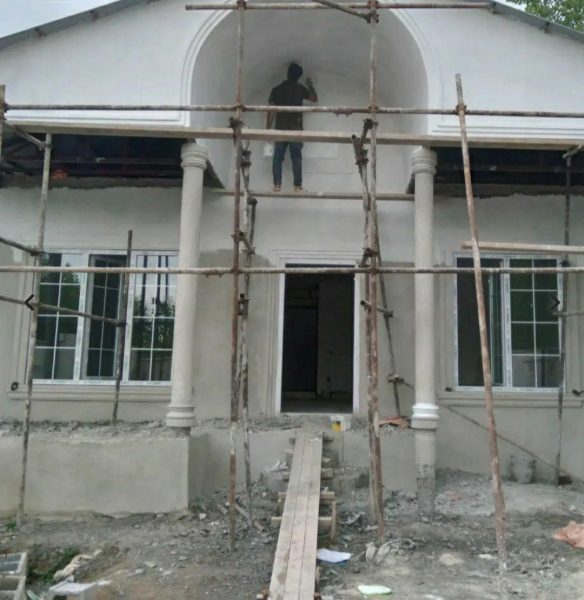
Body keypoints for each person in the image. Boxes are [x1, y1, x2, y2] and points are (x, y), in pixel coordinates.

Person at [266, 63, 318, 192]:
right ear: (298, 77)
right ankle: (297, 186)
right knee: (296, 157)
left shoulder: (277, 89)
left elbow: (271, 110)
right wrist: (310, 85)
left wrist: (267, 129)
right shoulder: (300, 89)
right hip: (296, 129)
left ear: (287, 74)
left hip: (281, 129)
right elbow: (314, 99)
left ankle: (277, 185)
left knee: (278, 158)